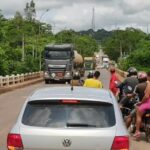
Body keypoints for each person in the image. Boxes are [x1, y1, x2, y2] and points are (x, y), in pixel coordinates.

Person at [133, 71, 150, 140]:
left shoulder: (149, 83)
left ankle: (137, 132)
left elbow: (146, 96)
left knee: (138, 114)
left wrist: (141, 103)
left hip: (148, 103)